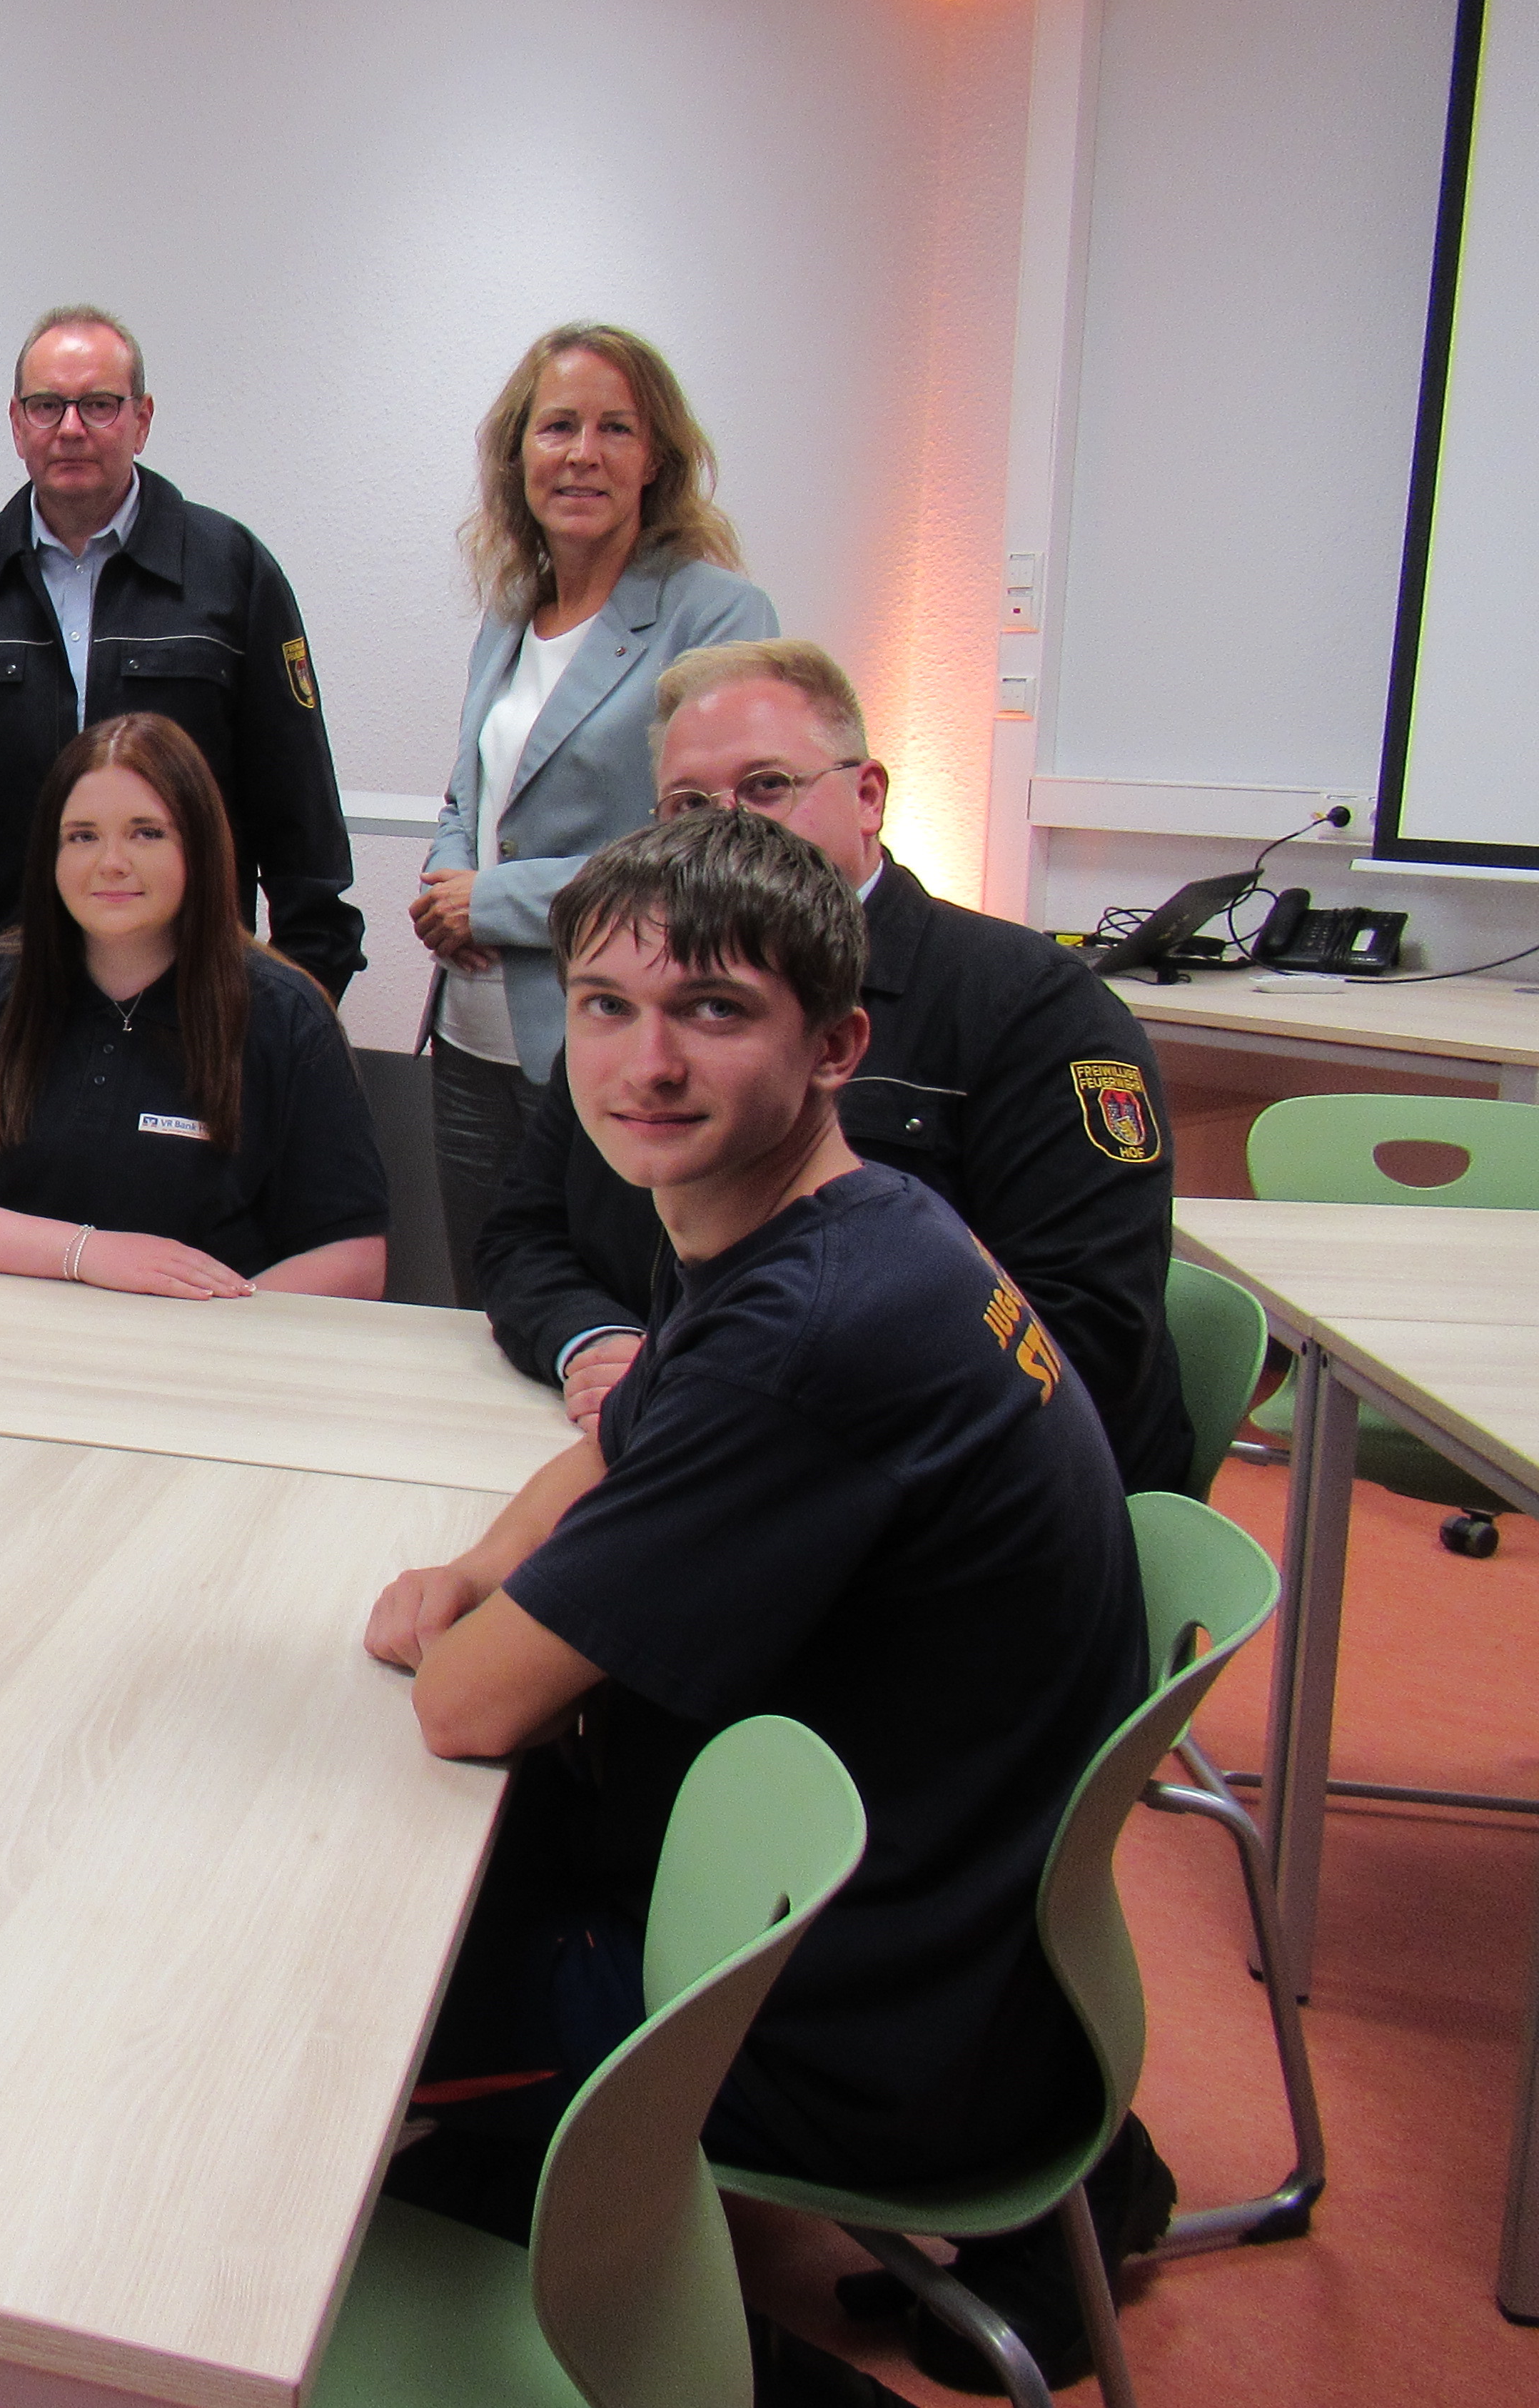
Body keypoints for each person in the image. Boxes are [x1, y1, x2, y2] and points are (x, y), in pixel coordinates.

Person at [365, 809, 1156, 2397]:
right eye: (606, 1007)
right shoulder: (837, 1218)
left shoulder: (814, 1333)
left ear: (836, 1041)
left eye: (712, 1012)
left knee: (322, 2005)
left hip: (845, 2017)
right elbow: (623, 1437)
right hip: (950, 1923)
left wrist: (475, 1631)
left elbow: (467, 1709)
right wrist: (478, 1569)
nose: (644, 1063)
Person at [479, 636, 1194, 1502]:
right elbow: (524, 1233)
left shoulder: (1032, 1010)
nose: (730, 826)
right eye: (689, 803)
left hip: (935, 1503)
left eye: (767, 786)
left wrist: (717, 1394)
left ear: (867, 797)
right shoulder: (639, 993)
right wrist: (591, 1340)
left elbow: (1083, 1335)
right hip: (660, 1446)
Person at [0, 304, 363, 1082]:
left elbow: (300, 815)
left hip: (192, 1009)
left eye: (100, 404)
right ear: (17, 425)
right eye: (47, 406)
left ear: (142, 420)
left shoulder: (231, 572)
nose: (71, 428)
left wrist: (303, 1001)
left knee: (178, 1209)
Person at [413, 323, 773, 1302]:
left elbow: (710, 846)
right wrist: (448, 881)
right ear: (517, 452)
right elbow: (468, 793)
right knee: (489, 1309)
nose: (582, 453)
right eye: (557, 426)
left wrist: (495, 900)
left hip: (618, 1035)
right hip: (475, 1034)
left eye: (615, 429)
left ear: (655, 458)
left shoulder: (715, 614)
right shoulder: (511, 615)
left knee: (617, 1310)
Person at [0, 714, 385, 1300]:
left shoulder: (286, 1013)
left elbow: (353, 1259)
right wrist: (87, 1253)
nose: (111, 862)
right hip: (5, 1349)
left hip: (203, 1362)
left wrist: (200, 1337)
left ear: (200, 847)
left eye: (146, 833)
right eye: (82, 835)